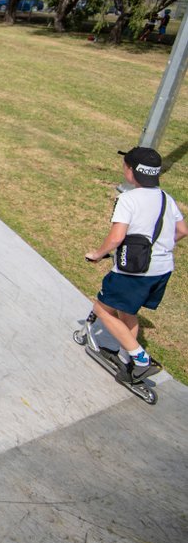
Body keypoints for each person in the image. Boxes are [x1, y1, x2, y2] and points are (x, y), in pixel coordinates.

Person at [84, 148, 187, 382]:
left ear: (131, 171)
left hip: (134, 271)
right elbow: (182, 231)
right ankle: (124, 356)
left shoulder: (128, 199)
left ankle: (141, 360)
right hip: (162, 270)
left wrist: (98, 254)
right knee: (127, 311)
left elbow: (117, 237)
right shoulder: (166, 198)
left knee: (102, 309)